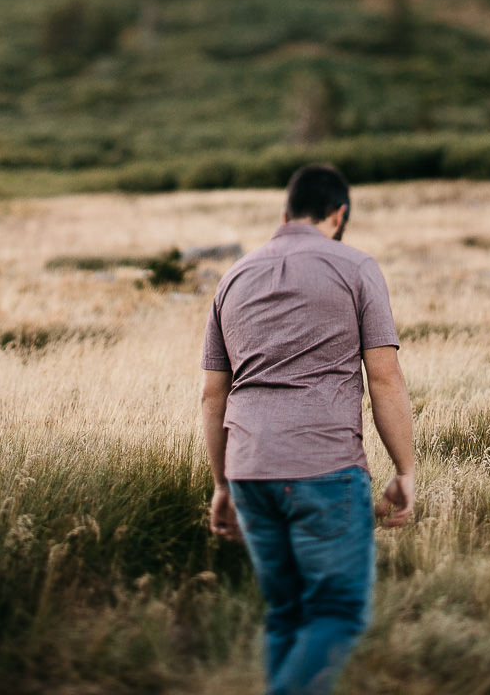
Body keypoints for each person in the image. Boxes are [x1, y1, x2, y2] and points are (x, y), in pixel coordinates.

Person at [200, 163, 416, 695]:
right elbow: (384, 379)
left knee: (286, 613)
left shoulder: (233, 277)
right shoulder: (357, 267)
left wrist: (222, 484)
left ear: (285, 214)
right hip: (324, 467)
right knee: (337, 611)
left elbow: (212, 395)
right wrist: (405, 470)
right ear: (339, 214)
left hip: (248, 472)